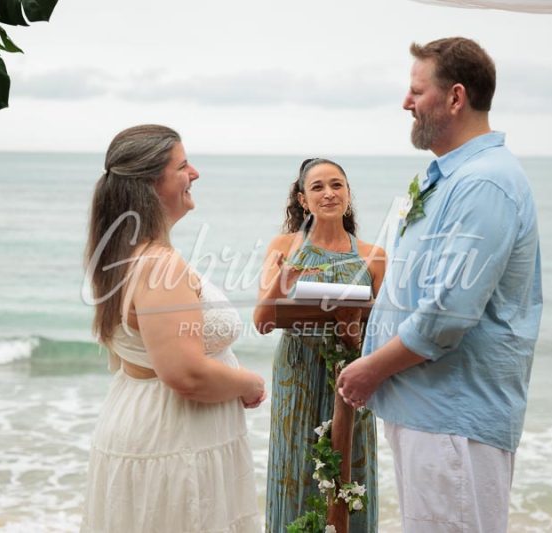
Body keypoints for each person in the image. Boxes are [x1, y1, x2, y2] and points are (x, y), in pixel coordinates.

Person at [337, 38, 543, 533]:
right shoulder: (452, 177)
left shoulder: (483, 183)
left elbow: (446, 314)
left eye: (416, 91)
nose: (405, 103)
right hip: (428, 410)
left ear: (455, 98)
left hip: (452, 415)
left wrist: (369, 370)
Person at [81, 124, 265, 533]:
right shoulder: (159, 265)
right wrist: (249, 383)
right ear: (151, 184)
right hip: (175, 440)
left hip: (151, 426)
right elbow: (185, 374)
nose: (194, 173)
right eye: (182, 166)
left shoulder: (118, 253)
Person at [253, 158, 387, 532]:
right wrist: (284, 278)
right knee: (295, 464)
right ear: (302, 199)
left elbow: (380, 333)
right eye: (317, 187)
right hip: (296, 371)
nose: (329, 193)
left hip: (349, 373)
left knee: (349, 467)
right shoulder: (283, 246)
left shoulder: (373, 257)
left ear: (347, 193)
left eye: (337, 185)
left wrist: (351, 333)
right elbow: (262, 321)